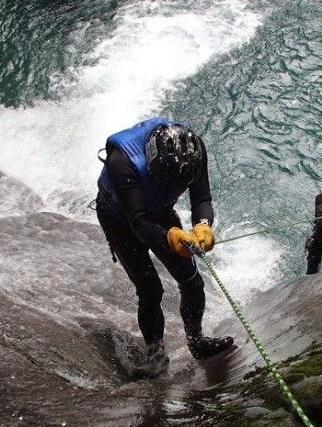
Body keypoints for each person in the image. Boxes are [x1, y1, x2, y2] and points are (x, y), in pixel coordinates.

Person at [95, 117, 235, 377]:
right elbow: (138, 223)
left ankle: (197, 341)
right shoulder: (121, 163)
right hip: (121, 218)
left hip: (158, 213)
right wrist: (170, 237)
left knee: (192, 282)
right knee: (150, 289)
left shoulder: (193, 151)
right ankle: (156, 356)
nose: (173, 188)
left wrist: (203, 225)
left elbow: (201, 198)